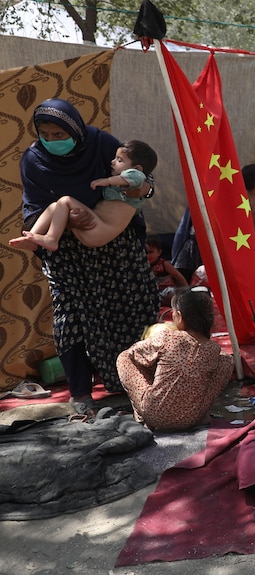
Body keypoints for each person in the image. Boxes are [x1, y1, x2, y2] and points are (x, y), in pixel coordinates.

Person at [17, 98, 158, 414]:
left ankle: (143, 385)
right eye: (45, 134)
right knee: (71, 320)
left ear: (75, 129)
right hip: (68, 255)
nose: (53, 140)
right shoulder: (34, 160)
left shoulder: (102, 144)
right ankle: (80, 393)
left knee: (133, 310)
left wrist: (144, 189)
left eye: (59, 133)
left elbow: (140, 176)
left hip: (117, 250)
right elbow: (33, 209)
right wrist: (66, 223)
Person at [117, 287, 234, 431]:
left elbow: (133, 353)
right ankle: (200, 413)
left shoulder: (168, 337)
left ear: (179, 316)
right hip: (192, 418)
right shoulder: (214, 350)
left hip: (155, 414)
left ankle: (142, 417)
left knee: (123, 358)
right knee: (226, 361)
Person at [11, 140, 157, 252]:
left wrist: (105, 181)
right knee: (55, 206)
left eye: (119, 160)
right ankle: (31, 237)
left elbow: (133, 178)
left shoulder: (135, 178)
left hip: (99, 229)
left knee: (65, 200)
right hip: (95, 229)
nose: (112, 162)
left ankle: (51, 238)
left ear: (137, 168)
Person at [145, 234, 188, 307]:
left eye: (151, 252)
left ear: (159, 252)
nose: (148, 256)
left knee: (173, 292)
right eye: (146, 253)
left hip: (167, 292)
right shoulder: (144, 266)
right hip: (154, 294)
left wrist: (186, 288)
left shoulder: (164, 264)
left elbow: (177, 275)